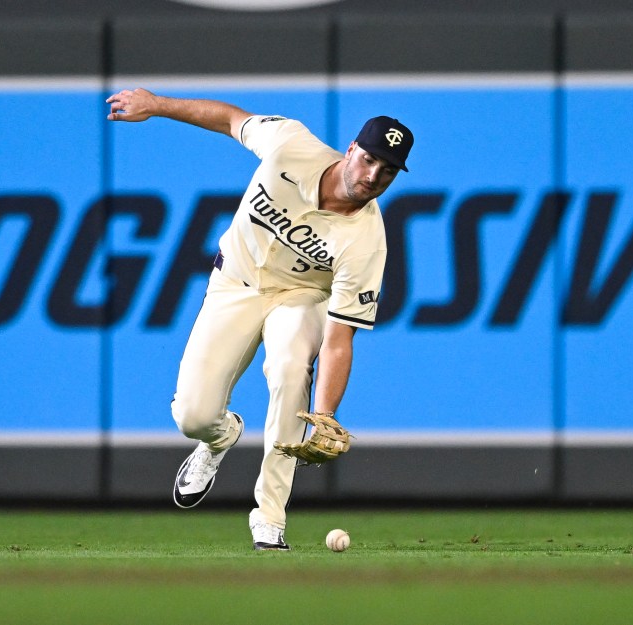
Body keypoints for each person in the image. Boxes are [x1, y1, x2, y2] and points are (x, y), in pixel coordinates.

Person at [106, 88, 413, 550]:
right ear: (351, 149)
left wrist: (325, 416)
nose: (373, 175)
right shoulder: (291, 143)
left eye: (387, 170)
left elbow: (338, 339)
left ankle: (270, 516)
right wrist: (157, 104)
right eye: (369, 159)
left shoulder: (367, 242)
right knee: (192, 415)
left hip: (301, 297)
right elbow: (230, 119)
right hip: (236, 282)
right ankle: (220, 436)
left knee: (290, 369)